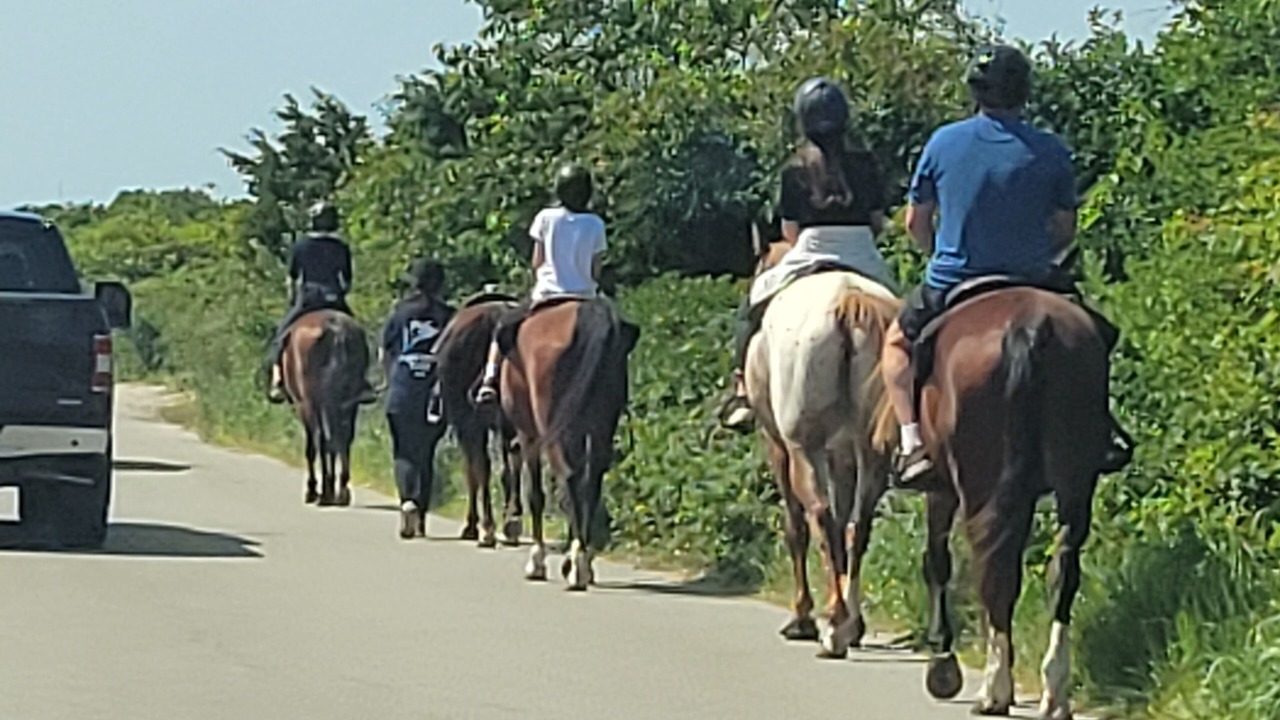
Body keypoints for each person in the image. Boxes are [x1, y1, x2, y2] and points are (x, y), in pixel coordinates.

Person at [881, 45, 1133, 487]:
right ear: (1023, 91)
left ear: (976, 91)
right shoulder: (1052, 149)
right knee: (1097, 336)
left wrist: (939, 252)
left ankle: (912, 443)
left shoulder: (943, 141)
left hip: (955, 279)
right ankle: (1099, 429)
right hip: (1033, 279)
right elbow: (1064, 228)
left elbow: (915, 221)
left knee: (897, 345)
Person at [719, 77, 895, 430]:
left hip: (810, 247)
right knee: (902, 315)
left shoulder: (795, 168)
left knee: (753, 301)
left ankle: (741, 387)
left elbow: (790, 232)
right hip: (861, 250)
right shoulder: (864, 163)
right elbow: (878, 222)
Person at [474, 162, 606, 404]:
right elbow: (595, 270)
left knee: (503, 326)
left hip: (547, 294)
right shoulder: (595, 224)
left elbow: (537, 261)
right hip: (586, 298)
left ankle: (490, 379)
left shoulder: (545, 217)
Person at [265, 200, 375, 404]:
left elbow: (292, 279)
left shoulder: (301, 245)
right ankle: (362, 383)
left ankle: (278, 380)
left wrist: (292, 300)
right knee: (359, 339)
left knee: (280, 337)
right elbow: (347, 281)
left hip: (308, 298)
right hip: (334, 298)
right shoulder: (341, 247)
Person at [381, 258, 455, 535]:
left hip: (402, 388)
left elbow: (384, 353)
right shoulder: (450, 315)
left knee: (403, 451)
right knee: (426, 453)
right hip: (435, 394)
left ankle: (407, 500)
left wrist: (390, 381)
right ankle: (421, 513)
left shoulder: (400, 313)